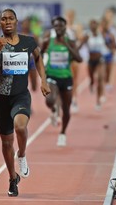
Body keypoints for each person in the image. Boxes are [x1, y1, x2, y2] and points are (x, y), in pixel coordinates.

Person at [0, 9, 50, 197]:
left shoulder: (28, 42)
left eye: (11, 18)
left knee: (20, 127)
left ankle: (22, 155)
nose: (7, 21)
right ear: (0, 24)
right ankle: (13, 178)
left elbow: (38, 58)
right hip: (1, 98)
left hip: (20, 96)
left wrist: (43, 80)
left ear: (16, 21)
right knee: (6, 142)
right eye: (3, 19)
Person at [41, 16, 82, 146]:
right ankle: (53, 110)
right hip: (52, 76)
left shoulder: (70, 41)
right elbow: (39, 55)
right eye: (56, 26)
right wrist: (43, 68)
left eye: (61, 26)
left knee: (66, 108)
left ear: (65, 27)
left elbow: (79, 59)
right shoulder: (48, 41)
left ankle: (63, 133)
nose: (58, 28)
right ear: (53, 28)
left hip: (66, 78)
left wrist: (67, 46)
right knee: (50, 99)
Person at [78, 19, 107, 110]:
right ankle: (91, 82)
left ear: (97, 26)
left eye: (95, 25)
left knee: (100, 77)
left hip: (100, 60)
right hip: (91, 60)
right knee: (92, 78)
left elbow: (109, 43)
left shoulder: (102, 35)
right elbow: (80, 46)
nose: (93, 27)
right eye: (92, 25)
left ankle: (98, 100)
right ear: (90, 26)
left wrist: (112, 48)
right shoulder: (87, 36)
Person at [65, 9, 83, 113]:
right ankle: (66, 100)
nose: (70, 17)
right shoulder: (62, 28)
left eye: (71, 16)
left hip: (74, 56)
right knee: (65, 79)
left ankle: (74, 99)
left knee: (74, 80)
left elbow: (80, 38)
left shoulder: (77, 27)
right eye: (68, 15)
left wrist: (74, 32)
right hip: (65, 57)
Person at [20, 17, 38, 93]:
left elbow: (37, 49)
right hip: (21, 61)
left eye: (28, 24)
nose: (26, 25)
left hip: (31, 61)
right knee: (22, 83)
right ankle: (26, 100)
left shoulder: (34, 36)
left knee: (34, 86)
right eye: (25, 24)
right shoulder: (18, 36)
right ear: (21, 25)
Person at [100, 18, 116, 91]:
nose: (104, 26)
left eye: (106, 24)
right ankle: (102, 83)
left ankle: (107, 83)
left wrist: (113, 49)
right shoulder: (99, 34)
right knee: (101, 71)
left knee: (108, 70)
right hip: (101, 54)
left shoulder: (110, 35)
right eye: (103, 24)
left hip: (108, 54)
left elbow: (115, 45)